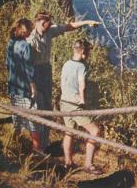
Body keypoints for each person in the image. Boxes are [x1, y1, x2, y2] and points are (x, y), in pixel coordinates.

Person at [27, 11, 99, 150]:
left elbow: (68, 26)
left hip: (46, 71)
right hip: (35, 73)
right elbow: (26, 63)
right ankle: (36, 146)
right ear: (39, 22)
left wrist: (87, 22)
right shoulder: (31, 40)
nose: (48, 25)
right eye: (45, 22)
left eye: (49, 22)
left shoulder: (49, 31)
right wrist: (31, 83)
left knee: (47, 108)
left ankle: (44, 143)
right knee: (37, 108)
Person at [60, 39, 101, 174]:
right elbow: (81, 85)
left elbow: (63, 82)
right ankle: (88, 164)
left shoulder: (66, 64)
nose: (89, 54)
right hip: (74, 105)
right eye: (88, 51)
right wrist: (82, 101)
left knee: (69, 132)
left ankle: (68, 162)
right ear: (83, 51)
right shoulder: (81, 66)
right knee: (95, 131)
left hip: (64, 102)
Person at [6, 18, 41, 151]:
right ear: (25, 30)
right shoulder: (25, 46)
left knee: (17, 119)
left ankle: (13, 146)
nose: (31, 32)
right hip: (25, 89)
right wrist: (33, 86)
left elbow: (8, 65)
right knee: (33, 121)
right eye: (30, 29)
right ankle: (37, 151)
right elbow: (28, 69)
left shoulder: (10, 43)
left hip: (13, 87)